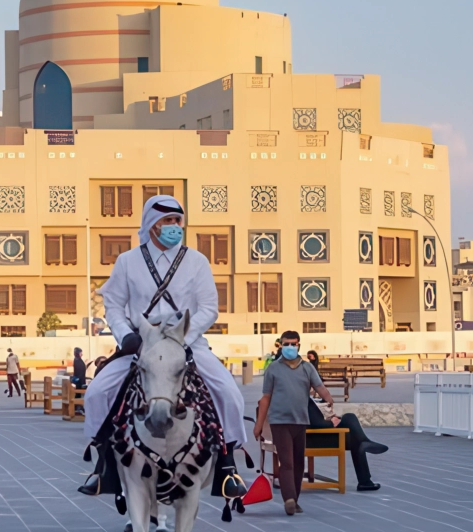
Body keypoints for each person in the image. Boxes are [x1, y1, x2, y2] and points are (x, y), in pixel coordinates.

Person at [81, 193, 245, 481]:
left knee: (229, 394)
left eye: (177, 220)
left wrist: (183, 338)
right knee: (97, 393)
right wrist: (124, 336)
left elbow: (209, 309)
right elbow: (114, 306)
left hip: (187, 344)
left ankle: (227, 465)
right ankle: (104, 464)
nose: (174, 226)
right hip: (140, 345)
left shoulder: (197, 261)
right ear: (152, 224)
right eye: (167, 220)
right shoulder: (127, 261)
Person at [255, 330, 335, 514]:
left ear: (299, 345)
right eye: (286, 344)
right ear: (281, 345)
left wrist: (329, 399)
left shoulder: (307, 368)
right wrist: (259, 425)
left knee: (299, 462)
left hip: (300, 421)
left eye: (293, 343)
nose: (290, 347)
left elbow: (319, 386)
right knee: (287, 461)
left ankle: (295, 499)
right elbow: (266, 397)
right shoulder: (273, 369)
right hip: (279, 421)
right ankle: (288, 499)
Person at [308, 390, 386, 491]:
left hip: (314, 437)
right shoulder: (303, 400)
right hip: (315, 440)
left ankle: (365, 480)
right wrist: (332, 422)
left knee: (349, 419)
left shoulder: (297, 398)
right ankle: (365, 481)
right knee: (354, 434)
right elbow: (315, 424)